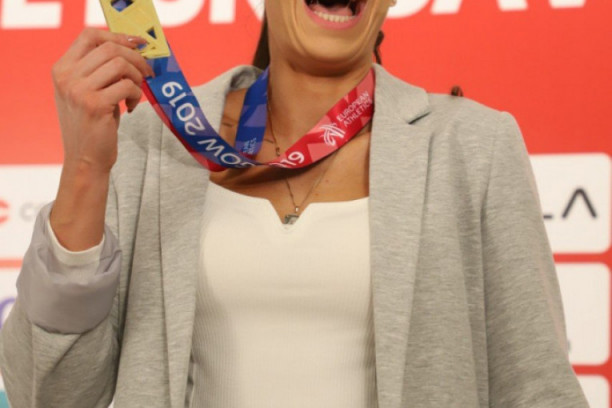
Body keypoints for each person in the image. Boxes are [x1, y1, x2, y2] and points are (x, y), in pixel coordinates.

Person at [0, 0, 590, 407]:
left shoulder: (472, 147)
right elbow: (45, 394)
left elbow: (536, 389)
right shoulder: (153, 141)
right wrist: (85, 170)